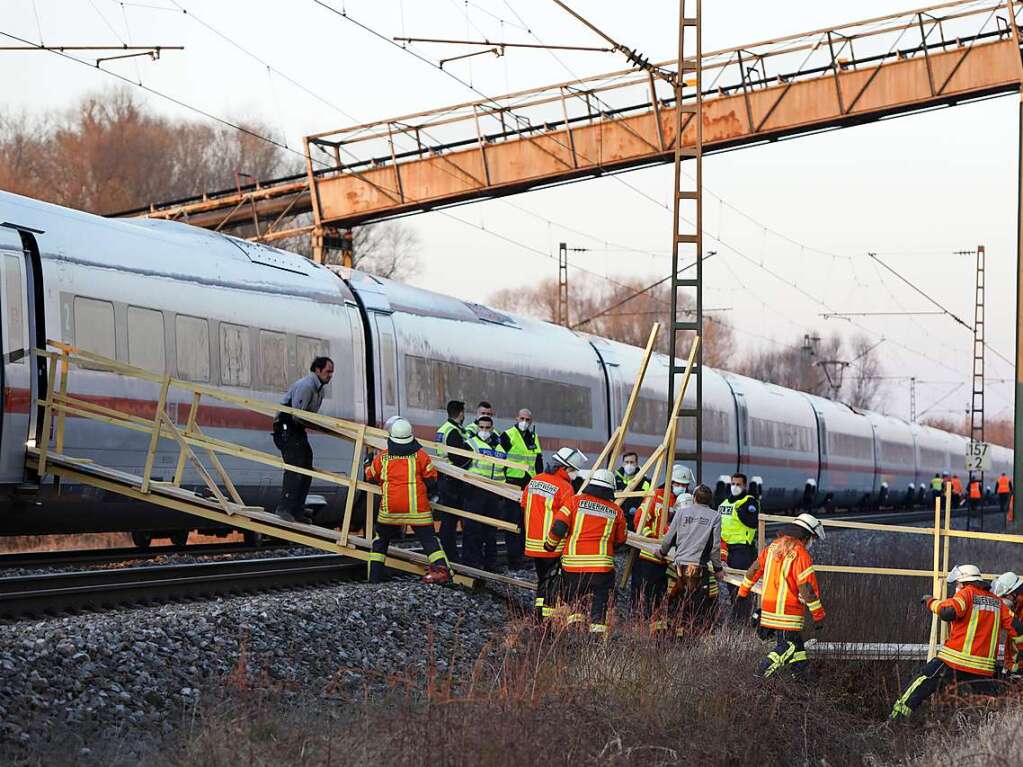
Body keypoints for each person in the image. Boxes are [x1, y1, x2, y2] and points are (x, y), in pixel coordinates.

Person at [890, 565, 1023, 719]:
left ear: (963, 582)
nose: (956, 588)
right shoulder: (997, 602)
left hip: (954, 660)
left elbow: (948, 611)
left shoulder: (967, 593)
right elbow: (1018, 630)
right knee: (991, 707)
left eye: (957, 584)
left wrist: (930, 601)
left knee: (922, 683)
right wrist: (1015, 666)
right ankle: (994, 733)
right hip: (983, 668)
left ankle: (895, 720)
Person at [736, 513, 826, 682]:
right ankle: (758, 678)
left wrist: (742, 592)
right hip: (789, 613)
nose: (812, 542)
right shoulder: (801, 554)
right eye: (813, 538)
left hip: (770, 609)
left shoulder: (772, 547)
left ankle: (802, 681)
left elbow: (753, 571)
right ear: (806, 535)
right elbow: (807, 589)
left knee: (797, 650)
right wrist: (818, 615)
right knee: (787, 646)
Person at [364, 418, 451, 585]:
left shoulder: (383, 458)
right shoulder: (420, 455)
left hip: (390, 510)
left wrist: (367, 462)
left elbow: (370, 475)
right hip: (418, 510)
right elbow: (432, 478)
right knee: (429, 540)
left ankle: (374, 577)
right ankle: (442, 572)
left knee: (380, 541)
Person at [544, 468, 627, 636]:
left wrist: (550, 545)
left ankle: (575, 632)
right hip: (601, 569)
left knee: (575, 599)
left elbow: (559, 526)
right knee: (599, 602)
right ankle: (596, 640)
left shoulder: (574, 502)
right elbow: (621, 540)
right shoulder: (617, 511)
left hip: (573, 566)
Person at [521, 447, 586, 620]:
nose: (575, 474)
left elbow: (524, 505)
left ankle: (538, 616)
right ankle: (545, 623)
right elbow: (567, 518)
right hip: (552, 545)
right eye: (573, 470)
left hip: (533, 544)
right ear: (563, 468)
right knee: (552, 585)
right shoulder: (565, 488)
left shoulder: (534, 481)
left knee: (542, 581)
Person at [273, 356, 334, 523]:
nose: (330, 375)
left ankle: (297, 509)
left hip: (297, 429)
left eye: (331, 372)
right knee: (295, 467)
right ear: (318, 370)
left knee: (306, 465)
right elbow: (297, 415)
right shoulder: (307, 386)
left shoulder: (320, 389)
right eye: (328, 371)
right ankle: (284, 508)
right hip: (286, 426)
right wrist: (321, 426)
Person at [658, 484, 723, 633]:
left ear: (694, 498)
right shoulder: (715, 516)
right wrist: (718, 569)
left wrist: (661, 552)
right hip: (698, 569)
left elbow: (669, 538)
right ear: (710, 500)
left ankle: (675, 636)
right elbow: (715, 547)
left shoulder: (681, 513)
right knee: (696, 608)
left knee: (677, 604)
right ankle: (692, 640)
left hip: (679, 567)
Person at [630, 465, 688, 632]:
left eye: (684, 485)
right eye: (678, 484)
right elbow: (640, 521)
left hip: (670, 560)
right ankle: (642, 623)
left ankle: (659, 628)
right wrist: (652, 540)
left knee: (663, 595)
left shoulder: (684, 501)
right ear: (671, 482)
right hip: (650, 555)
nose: (681, 487)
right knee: (646, 593)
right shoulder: (656, 497)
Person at [500, 409, 542, 569]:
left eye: (527, 419)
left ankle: (525, 557)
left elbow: (538, 460)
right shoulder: (508, 435)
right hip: (512, 483)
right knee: (513, 523)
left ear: (531, 421)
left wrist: (539, 480)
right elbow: (500, 458)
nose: (524, 422)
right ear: (516, 418)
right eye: (522, 418)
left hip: (529, 484)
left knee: (526, 523)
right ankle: (514, 561)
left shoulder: (533, 436)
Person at [463, 415, 506, 571]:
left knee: (490, 531)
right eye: (481, 427)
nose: (484, 431)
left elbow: (503, 470)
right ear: (477, 428)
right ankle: (472, 562)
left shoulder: (500, 448)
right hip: (476, 491)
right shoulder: (470, 444)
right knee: (473, 529)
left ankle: (490, 563)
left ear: (492, 429)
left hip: (494, 493)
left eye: (487, 428)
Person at [719, 472, 760, 620]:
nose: (735, 487)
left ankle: (742, 619)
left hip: (742, 550)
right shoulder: (724, 504)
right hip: (725, 549)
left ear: (745, 486)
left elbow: (752, 522)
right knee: (731, 586)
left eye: (738, 484)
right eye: (733, 484)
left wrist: (740, 511)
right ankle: (738, 617)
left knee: (741, 586)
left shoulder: (749, 502)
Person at [435, 400, 471, 562]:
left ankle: (448, 555)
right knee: (451, 521)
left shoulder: (442, 429)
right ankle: (452, 557)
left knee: (447, 520)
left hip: (444, 478)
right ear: (461, 413)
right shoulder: (454, 432)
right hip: (453, 481)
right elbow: (458, 457)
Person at [993, 572, 1023, 680]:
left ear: (1012, 594)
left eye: (1004, 597)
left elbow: (1019, 636)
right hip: (1010, 667)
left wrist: (1015, 668)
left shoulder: (1016, 611)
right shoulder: (1015, 610)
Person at [615, 452, 651, 521]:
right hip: (617, 518)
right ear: (623, 464)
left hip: (635, 520)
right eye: (627, 462)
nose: (629, 465)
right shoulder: (615, 480)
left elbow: (647, 501)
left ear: (637, 464)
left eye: (632, 462)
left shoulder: (645, 482)